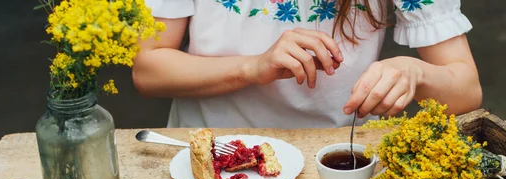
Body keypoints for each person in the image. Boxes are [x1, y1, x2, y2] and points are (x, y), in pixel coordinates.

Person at [133, 0, 482, 129]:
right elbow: (148, 70)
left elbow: (465, 92)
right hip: (211, 156)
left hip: (341, 166)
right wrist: (253, 67)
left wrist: (415, 73)